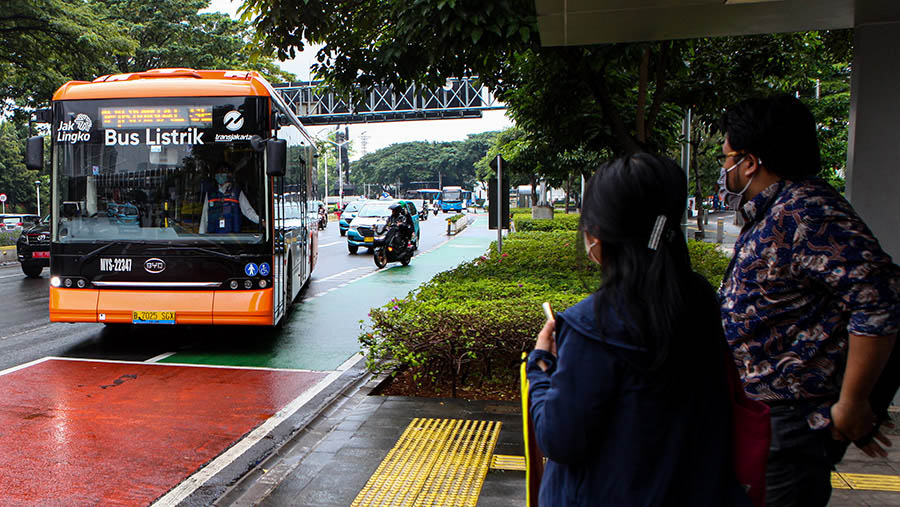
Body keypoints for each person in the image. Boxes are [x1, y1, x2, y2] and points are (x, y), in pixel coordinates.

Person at [527, 153, 741, 505]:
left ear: (600, 233)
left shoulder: (591, 326)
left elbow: (559, 439)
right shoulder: (699, 300)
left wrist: (542, 366)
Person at [718, 94, 900, 506]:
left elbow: (880, 300)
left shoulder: (808, 213)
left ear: (750, 161)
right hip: (767, 416)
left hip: (793, 422)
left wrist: (853, 403)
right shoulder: (776, 211)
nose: (724, 168)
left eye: (726, 156)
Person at [199, 165, 259, 233]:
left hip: (232, 238)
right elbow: (204, 217)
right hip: (214, 238)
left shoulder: (237, 192)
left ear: (229, 175)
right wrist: (201, 236)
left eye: (223, 172)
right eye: (218, 173)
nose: (220, 175)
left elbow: (248, 212)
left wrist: (261, 221)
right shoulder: (210, 193)